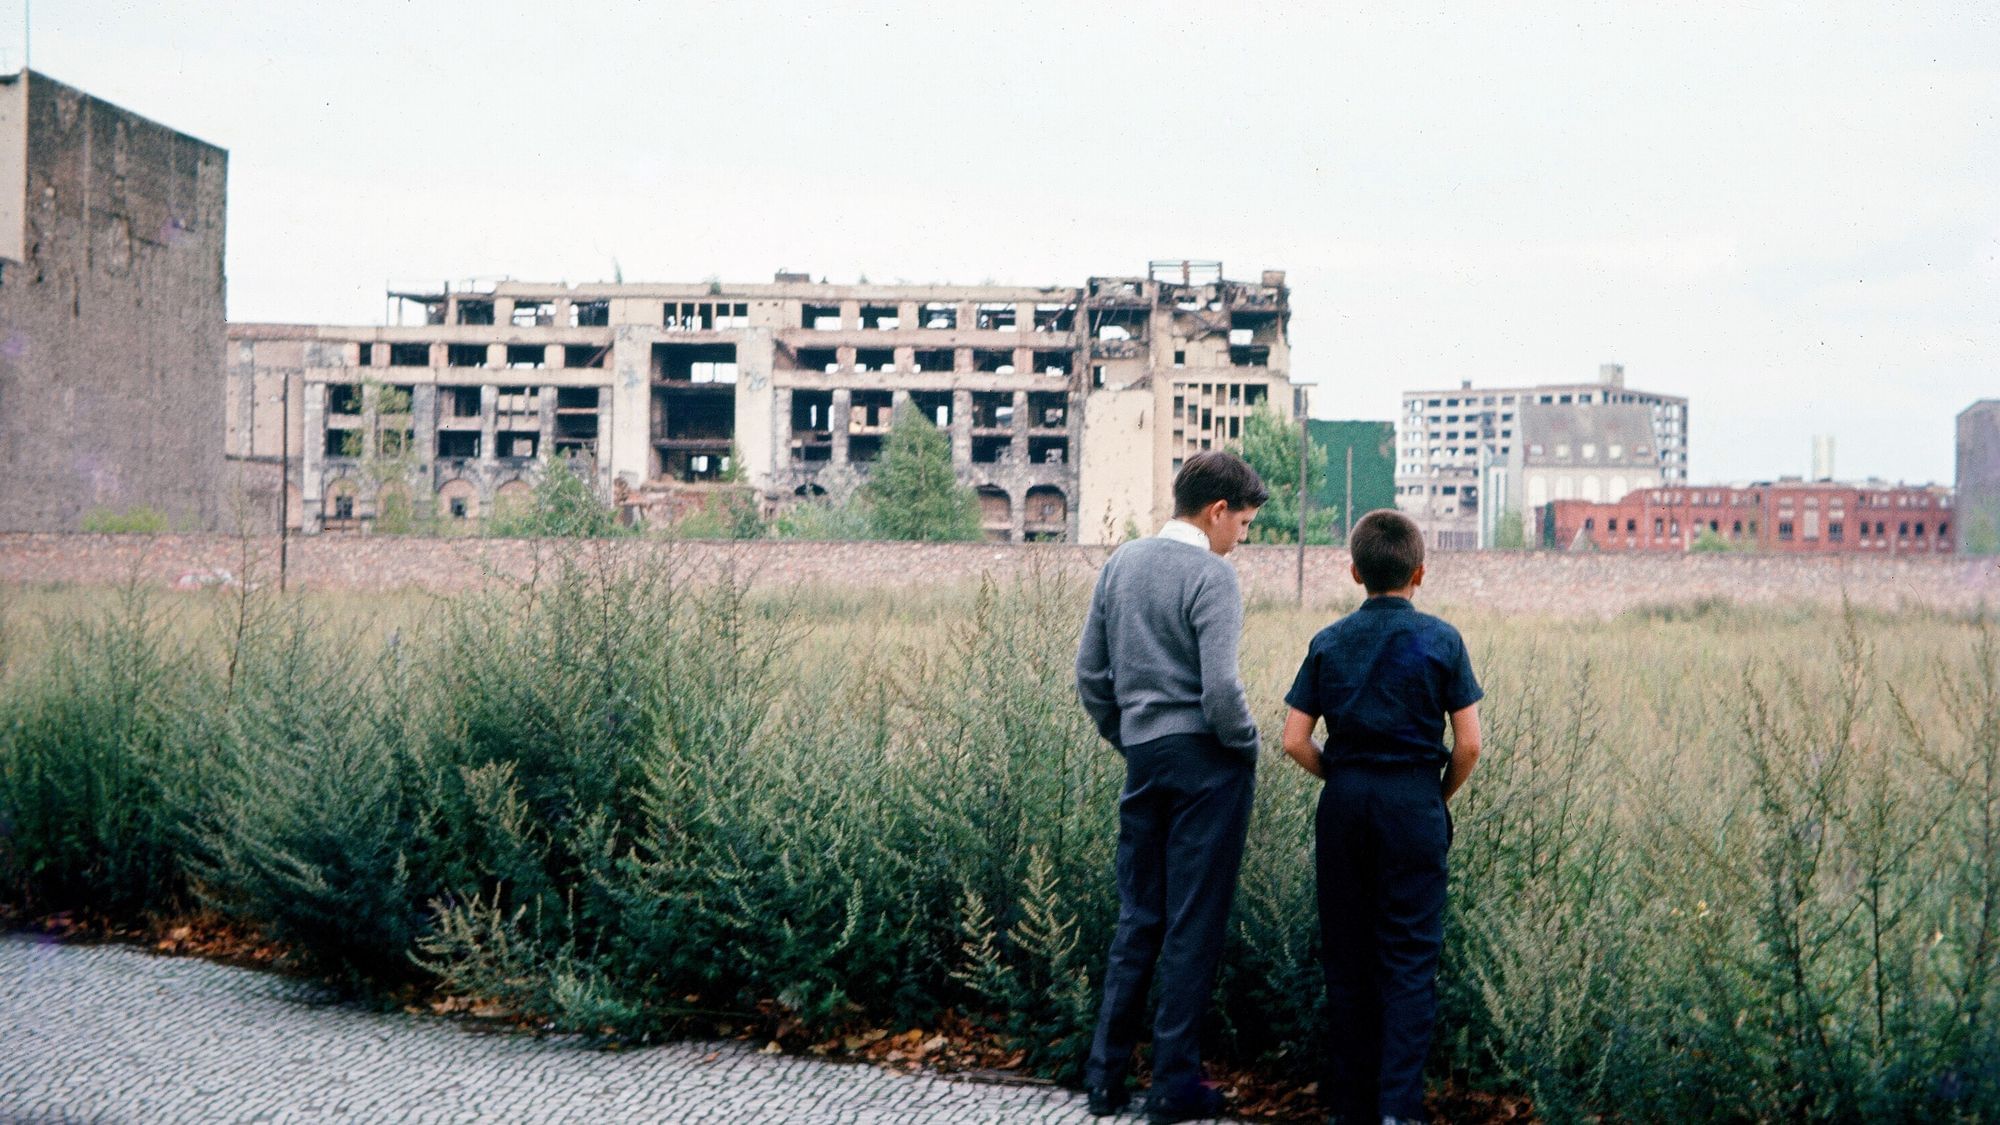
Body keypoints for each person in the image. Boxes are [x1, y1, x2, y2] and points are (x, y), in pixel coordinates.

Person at [1075, 450, 1268, 1124]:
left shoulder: (1121, 563)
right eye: (1241, 523)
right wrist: (1246, 744)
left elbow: (1090, 678)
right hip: (1207, 765)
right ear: (1217, 511)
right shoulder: (1211, 576)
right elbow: (1220, 689)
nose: (1239, 538)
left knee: (1140, 915)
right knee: (1193, 923)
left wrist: (1131, 736)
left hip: (1145, 757)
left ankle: (1104, 1078)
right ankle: (1172, 1086)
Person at [1278, 508, 1483, 1125]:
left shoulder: (1330, 640)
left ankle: (1352, 1108)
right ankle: (1398, 1110)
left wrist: (1341, 775)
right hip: (1413, 803)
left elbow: (1292, 738)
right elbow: (1470, 743)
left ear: (1354, 571)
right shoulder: (1442, 640)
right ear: (1420, 572)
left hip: (1344, 806)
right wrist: (1434, 795)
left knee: (1347, 956)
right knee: (1409, 958)